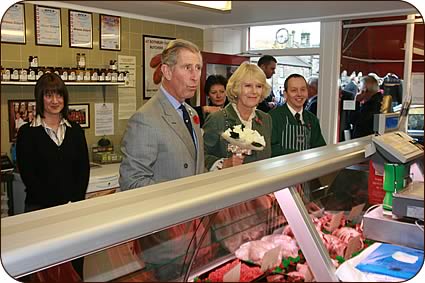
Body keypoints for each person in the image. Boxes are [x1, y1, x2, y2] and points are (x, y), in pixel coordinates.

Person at [119, 39, 207, 280]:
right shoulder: (146, 118)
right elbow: (132, 183)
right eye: (187, 68)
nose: (195, 76)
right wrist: (179, 198)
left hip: (194, 233)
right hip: (166, 239)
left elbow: (196, 171)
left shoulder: (190, 113)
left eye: (198, 68)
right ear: (166, 71)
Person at [16, 72, 90, 279]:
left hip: (72, 211)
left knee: (74, 266)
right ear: (40, 98)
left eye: (59, 95)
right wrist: (55, 206)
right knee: (44, 269)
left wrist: (72, 202)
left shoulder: (75, 131)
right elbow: (29, 176)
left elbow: (83, 171)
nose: (55, 101)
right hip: (40, 212)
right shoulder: (27, 134)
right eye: (49, 95)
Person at [203, 62, 273, 252]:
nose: (254, 92)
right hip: (227, 207)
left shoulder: (265, 120)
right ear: (236, 88)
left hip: (258, 204)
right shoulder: (218, 119)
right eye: (247, 86)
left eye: (258, 86)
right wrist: (223, 163)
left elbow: (267, 159)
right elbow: (200, 157)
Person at [270, 73, 326, 157]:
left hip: (308, 168)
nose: (299, 94)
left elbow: (320, 150)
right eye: (294, 90)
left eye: (303, 89)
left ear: (307, 92)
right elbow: (270, 149)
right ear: (285, 94)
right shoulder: (273, 117)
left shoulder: (312, 119)